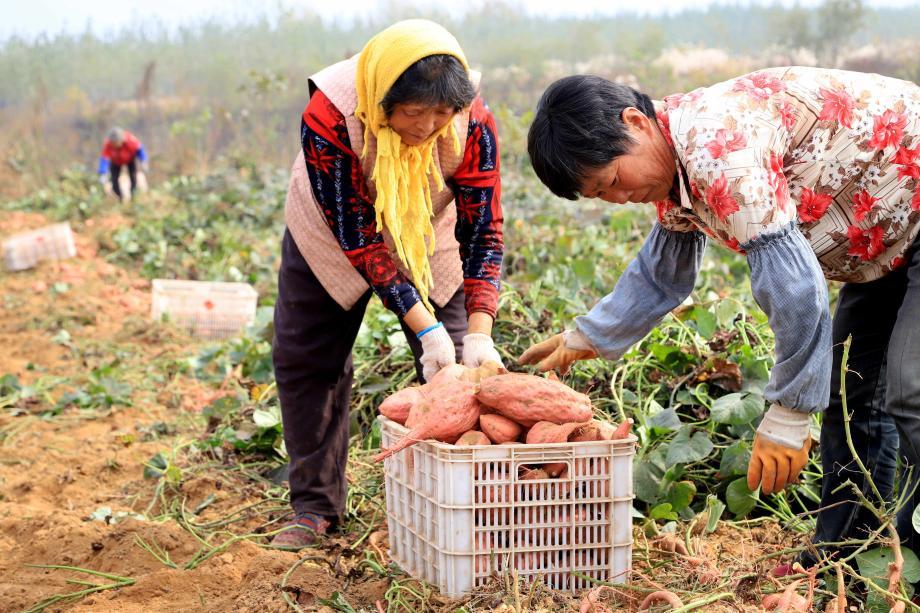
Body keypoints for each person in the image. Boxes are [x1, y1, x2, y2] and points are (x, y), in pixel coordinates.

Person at [522, 68, 920, 572]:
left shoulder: (717, 149)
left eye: (614, 181)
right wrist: (590, 335)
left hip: (912, 205)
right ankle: (848, 557)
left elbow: (796, 288)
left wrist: (792, 409)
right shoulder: (674, 173)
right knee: (851, 390)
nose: (621, 199)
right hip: (882, 238)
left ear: (635, 123)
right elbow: (662, 275)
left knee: (910, 390)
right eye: (603, 196)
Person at [270, 19, 504, 549]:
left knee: (463, 375)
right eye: (413, 112)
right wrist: (423, 329)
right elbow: (358, 235)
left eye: (442, 114)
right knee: (307, 358)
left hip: (427, 228)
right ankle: (314, 506)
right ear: (381, 102)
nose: (427, 127)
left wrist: (478, 329)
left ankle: (465, 505)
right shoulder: (329, 113)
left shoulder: (474, 121)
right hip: (330, 234)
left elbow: (483, 229)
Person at [98, 127, 148, 200]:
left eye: (115, 142)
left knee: (133, 178)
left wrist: (143, 161)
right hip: (115, 162)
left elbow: (140, 150)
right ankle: (120, 198)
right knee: (114, 180)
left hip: (130, 160)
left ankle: (133, 196)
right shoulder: (108, 144)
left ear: (121, 140)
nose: (114, 145)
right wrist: (103, 172)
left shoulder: (130, 140)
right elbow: (104, 159)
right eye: (112, 142)